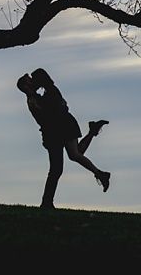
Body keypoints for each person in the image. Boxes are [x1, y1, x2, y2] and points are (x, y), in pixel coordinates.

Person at [17, 67, 111, 209]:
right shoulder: (36, 98)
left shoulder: (46, 94)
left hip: (61, 128)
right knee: (71, 158)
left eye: (32, 79)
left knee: (68, 159)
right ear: (25, 86)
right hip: (56, 131)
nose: (31, 81)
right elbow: (48, 114)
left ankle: (47, 202)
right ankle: (93, 137)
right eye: (28, 81)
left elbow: (55, 110)